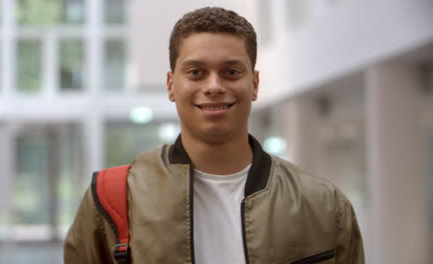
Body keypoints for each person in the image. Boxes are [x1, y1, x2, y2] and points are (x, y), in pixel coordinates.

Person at [64, 7, 364, 264]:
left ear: (254, 83)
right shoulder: (112, 198)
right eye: (196, 72)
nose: (214, 86)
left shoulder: (325, 205)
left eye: (231, 72)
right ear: (171, 84)